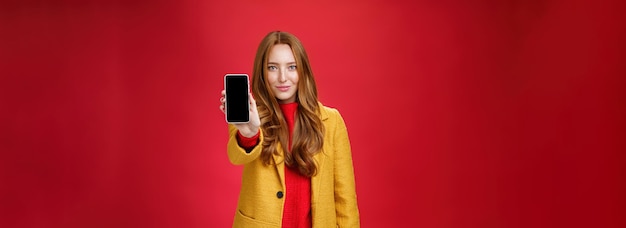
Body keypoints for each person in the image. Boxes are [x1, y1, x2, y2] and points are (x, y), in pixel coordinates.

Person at [219, 31, 360, 228]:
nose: (283, 77)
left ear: (303, 70)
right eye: (272, 68)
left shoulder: (332, 121)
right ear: (262, 72)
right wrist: (250, 132)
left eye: (292, 67)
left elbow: (345, 200)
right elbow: (237, 156)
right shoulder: (250, 116)